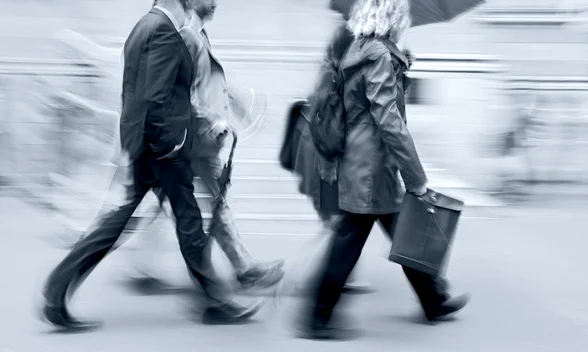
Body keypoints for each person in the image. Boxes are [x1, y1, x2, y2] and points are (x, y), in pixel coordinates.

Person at [40, 0, 261, 332]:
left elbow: (140, 94)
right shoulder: (162, 30)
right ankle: (214, 301)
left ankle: (57, 290)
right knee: (187, 221)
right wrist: (167, 144)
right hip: (163, 150)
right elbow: (153, 97)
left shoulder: (144, 26)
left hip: (147, 146)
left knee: (121, 222)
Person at [297, 0, 469, 340]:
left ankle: (433, 299)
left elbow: (367, 102)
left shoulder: (365, 49)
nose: (406, 18)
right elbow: (388, 120)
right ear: (392, 15)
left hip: (367, 162)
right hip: (372, 165)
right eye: (401, 13)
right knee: (349, 238)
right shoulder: (379, 55)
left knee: (403, 225)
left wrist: (400, 69)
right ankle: (317, 317)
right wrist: (416, 177)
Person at [124, 0, 284, 295]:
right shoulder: (186, 35)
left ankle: (145, 265)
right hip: (195, 139)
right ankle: (237, 270)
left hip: (198, 140)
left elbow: (206, 82)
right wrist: (213, 121)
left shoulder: (197, 34)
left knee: (183, 202)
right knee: (207, 204)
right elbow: (183, 93)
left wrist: (237, 102)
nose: (215, 2)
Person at [291, 0, 374, 294]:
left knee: (342, 217)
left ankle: (335, 279)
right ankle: (325, 286)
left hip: (331, 147)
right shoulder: (348, 52)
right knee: (342, 217)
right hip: (331, 149)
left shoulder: (342, 59)